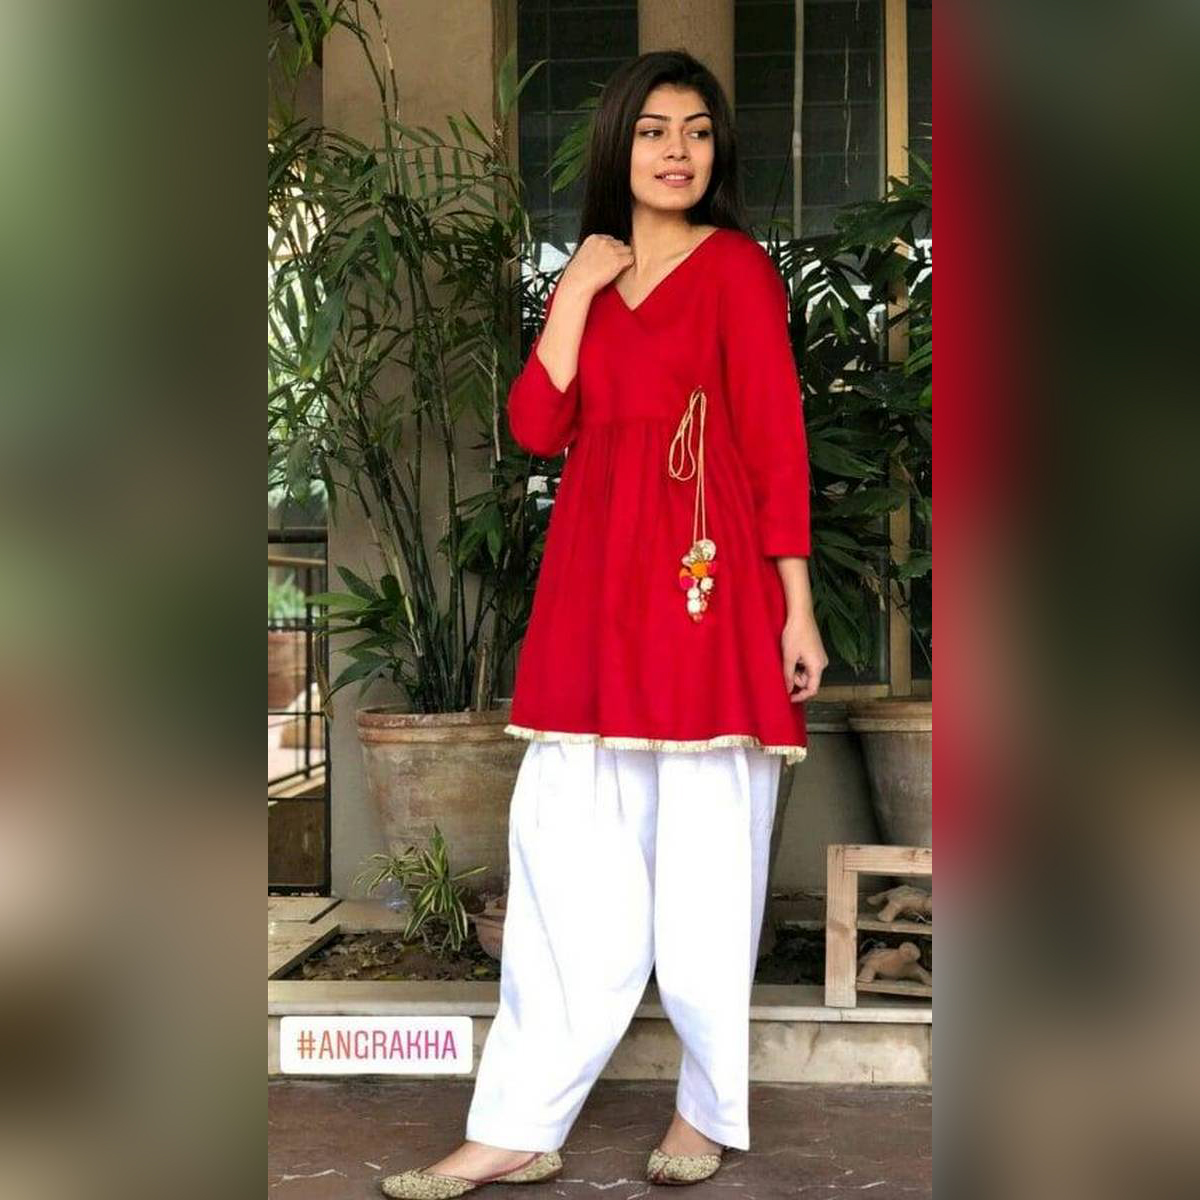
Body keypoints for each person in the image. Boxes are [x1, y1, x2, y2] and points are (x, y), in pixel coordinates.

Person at [380, 49, 827, 1200]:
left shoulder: (735, 271)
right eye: (655, 130)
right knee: (564, 865)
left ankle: (703, 1109)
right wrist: (574, 290)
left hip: (705, 585)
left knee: (709, 868)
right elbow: (538, 427)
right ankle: (517, 1124)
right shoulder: (587, 273)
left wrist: (796, 607)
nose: (679, 151)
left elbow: (773, 436)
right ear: (617, 147)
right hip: (594, 596)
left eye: (698, 131)